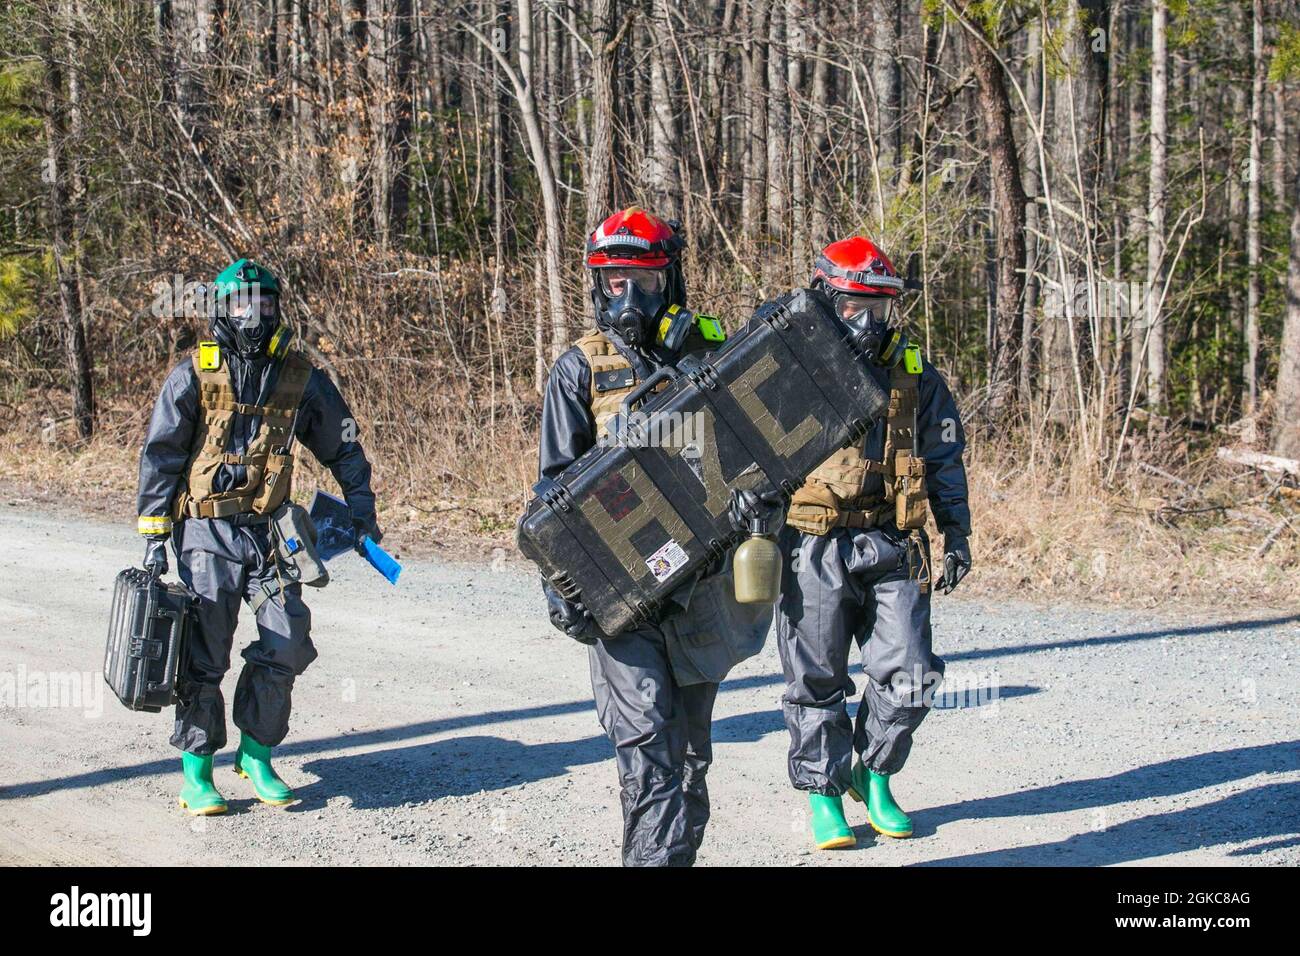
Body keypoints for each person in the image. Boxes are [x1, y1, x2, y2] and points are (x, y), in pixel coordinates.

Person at [536, 207, 773, 866]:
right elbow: (550, 492)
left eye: (645, 279)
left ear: (671, 281)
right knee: (650, 759)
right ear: (598, 284)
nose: (631, 296)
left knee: (689, 765)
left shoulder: (712, 352)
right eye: (616, 281)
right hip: (619, 598)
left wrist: (757, 501)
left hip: (699, 590)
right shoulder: (579, 371)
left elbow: (757, 454)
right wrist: (559, 588)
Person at [137, 258, 381, 815]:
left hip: (272, 532)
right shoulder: (192, 373)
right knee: (205, 650)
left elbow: (343, 444)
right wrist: (154, 533)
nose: (255, 312)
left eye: (265, 302)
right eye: (243, 302)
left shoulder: (299, 374)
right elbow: (162, 454)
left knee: (286, 640)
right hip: (207, 530)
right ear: (223, 309)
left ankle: (257, 754)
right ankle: (197, 773)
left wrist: (361, 506)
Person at [772, 236, 972, 849]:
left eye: (879, 307)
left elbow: (944, 454)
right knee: (818, 678)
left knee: (913, 673)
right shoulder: (789, 368)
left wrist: (956, 530)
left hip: (893, 540)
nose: (868, 319)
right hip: (814, 542)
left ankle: (874, 772)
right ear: (828, 301)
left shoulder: (913, 372)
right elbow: (745, 451)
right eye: (855, 305)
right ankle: (825, 794)